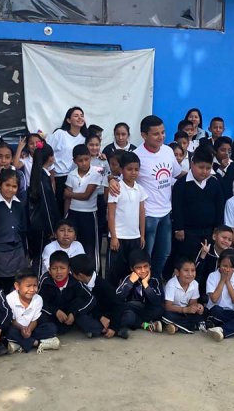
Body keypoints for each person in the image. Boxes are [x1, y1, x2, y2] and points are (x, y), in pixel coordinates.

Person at [109, 115, 182, 280]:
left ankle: (153, 282)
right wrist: (111, 179)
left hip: (166, 213)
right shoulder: (136, 155)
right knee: (143, 257)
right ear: (144, 135)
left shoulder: (168, 151)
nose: (161, 136)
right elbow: (121, 177)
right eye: (156, 134)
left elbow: (178, 174)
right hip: (147, 215)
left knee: (164, 253)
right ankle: (139, 286)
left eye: (163, 132)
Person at [171, 147, 224, 262]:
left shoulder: (214, 182)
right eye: (201, 167)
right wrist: (179, 228)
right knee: (188, 259)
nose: (204, 171)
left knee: (207, 259)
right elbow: (177, 207)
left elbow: (219, 205)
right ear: (192, 164)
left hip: (209, 232)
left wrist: (217, 227)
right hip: (188, 232)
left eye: (208, 168)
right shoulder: (181, 184)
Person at [38, 250, 103, 337]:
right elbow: (38, 301)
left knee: (87, 321)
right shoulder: (45, 280)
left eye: (62, 268)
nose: (58, 272)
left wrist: (74, 313)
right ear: (49, 270)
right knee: (42, 319)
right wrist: (56, 311)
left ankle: (103, 329)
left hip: (71, 314)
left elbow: (91, 299)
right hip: (52, 314)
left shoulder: (75, 281)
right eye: (54, 268)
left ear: (69, 269)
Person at [106, 151, 147, 287]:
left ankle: (128, 300)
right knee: (113, 271)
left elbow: (142, 213)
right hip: (119, 237)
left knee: (132, 272)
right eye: (129, 169)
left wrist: (142, 235)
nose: (133, 172)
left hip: (134, 237)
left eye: (136, 169)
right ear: (122, 170)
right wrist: (113, 237)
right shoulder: (116, 188)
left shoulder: (140, 189)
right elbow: (111, 214)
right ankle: (111, 301)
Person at [0, 168, 28, 294]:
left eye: (14, 186)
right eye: (7, 185)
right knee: (1, 284)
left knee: (18, 282)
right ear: (0, 184)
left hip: (18, 249)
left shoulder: (19, 204)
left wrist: (25, 250)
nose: (10, 189)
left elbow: (23, 228)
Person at [65, 144, 102, 272]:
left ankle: (94, 275)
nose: (84, 163)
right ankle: (77, 273)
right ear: (74, 161)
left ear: (90, 158)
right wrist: (66, 216)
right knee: (75, 245)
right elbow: (67, 198)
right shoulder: (71, 175)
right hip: (73, 213)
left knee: (90, 247)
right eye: (80, 160)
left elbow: (86, 195)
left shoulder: (95, 173)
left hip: (89, 214)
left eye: (86, 159)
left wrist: (70, 193)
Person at [5, 268, 60, 353]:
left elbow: (35, 320)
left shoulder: (38, 299)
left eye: (35, 285)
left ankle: (19, 344)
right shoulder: (9, 299)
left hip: (31, 329)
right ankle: (37, 343)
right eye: (28, 286)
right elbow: (12, 320)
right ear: (17, 286)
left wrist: (29, 329)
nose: (32, 290)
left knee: (51, 328)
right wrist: (22, 328)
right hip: (16, 327)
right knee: (9, 331)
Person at [115, 250, 166, 337]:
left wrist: (146, 285)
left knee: (160, 310)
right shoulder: (129, 278)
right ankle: (144, 325)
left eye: (145, 266)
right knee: (127, 315)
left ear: (150, 266)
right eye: (138, 268)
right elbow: (117, 298)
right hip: (133, 309)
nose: (143, 270)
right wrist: (130, 282)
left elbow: (157, 301)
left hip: (148, 310)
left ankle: (141, 323)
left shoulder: (155, 279)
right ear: (132, 269)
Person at [71, 254, 121, 338]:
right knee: (80, 317)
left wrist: (113, 327)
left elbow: (117, 306)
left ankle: (107, 330)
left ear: (80, 275)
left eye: (72, 273)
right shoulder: (79, 284)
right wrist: (100, 317)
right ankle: (103, 329)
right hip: (95, 314)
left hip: (108, 314)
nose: (71, 275)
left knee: (126, 315)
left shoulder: (104, 286)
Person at [50, 106, 88, 216]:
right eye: (76, 116)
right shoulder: (60, 134)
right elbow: (48, 152)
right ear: (68, 120)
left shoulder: (85, 137)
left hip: (77, 177)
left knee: (74, 208)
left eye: (82, 116)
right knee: (60, 208)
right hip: (59, 177)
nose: (80, 118)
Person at [27, 143, 59, 273]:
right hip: (42, 226)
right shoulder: (42, 178)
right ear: (50, 158)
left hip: (38, 225)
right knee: (40, 257)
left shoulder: (39, 175)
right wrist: (52, 229)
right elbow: (46, 205)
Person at [162, 257, 206, 334]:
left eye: (193, 270)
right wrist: (185, 310)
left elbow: (192, 304)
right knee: (165, 315)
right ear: (177, 272)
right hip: (173, 311)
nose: (190, 274)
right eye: (186, 270)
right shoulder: (171, 284)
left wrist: (198, 307)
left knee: (205, 312)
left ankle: (177, 326)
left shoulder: (195, 284)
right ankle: (193, 326)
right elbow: (168, 307)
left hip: (186, 313)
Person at [194, 225, 234, 302]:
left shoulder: (231, 255)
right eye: (224, 238)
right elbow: (196, 271)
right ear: (214, 237)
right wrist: (203, 255)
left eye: (229, 240)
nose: (226, 241)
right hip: (204, 289)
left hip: (223, 290)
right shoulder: (206, 250)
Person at [212, 137, 234, 201]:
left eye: (229, 151)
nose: (226, 153)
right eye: (223, 150)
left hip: (229, 200)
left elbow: (232, 186)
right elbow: (215, 183)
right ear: (215, 151)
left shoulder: (232, 165)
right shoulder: (211, 164)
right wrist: (221, 168)